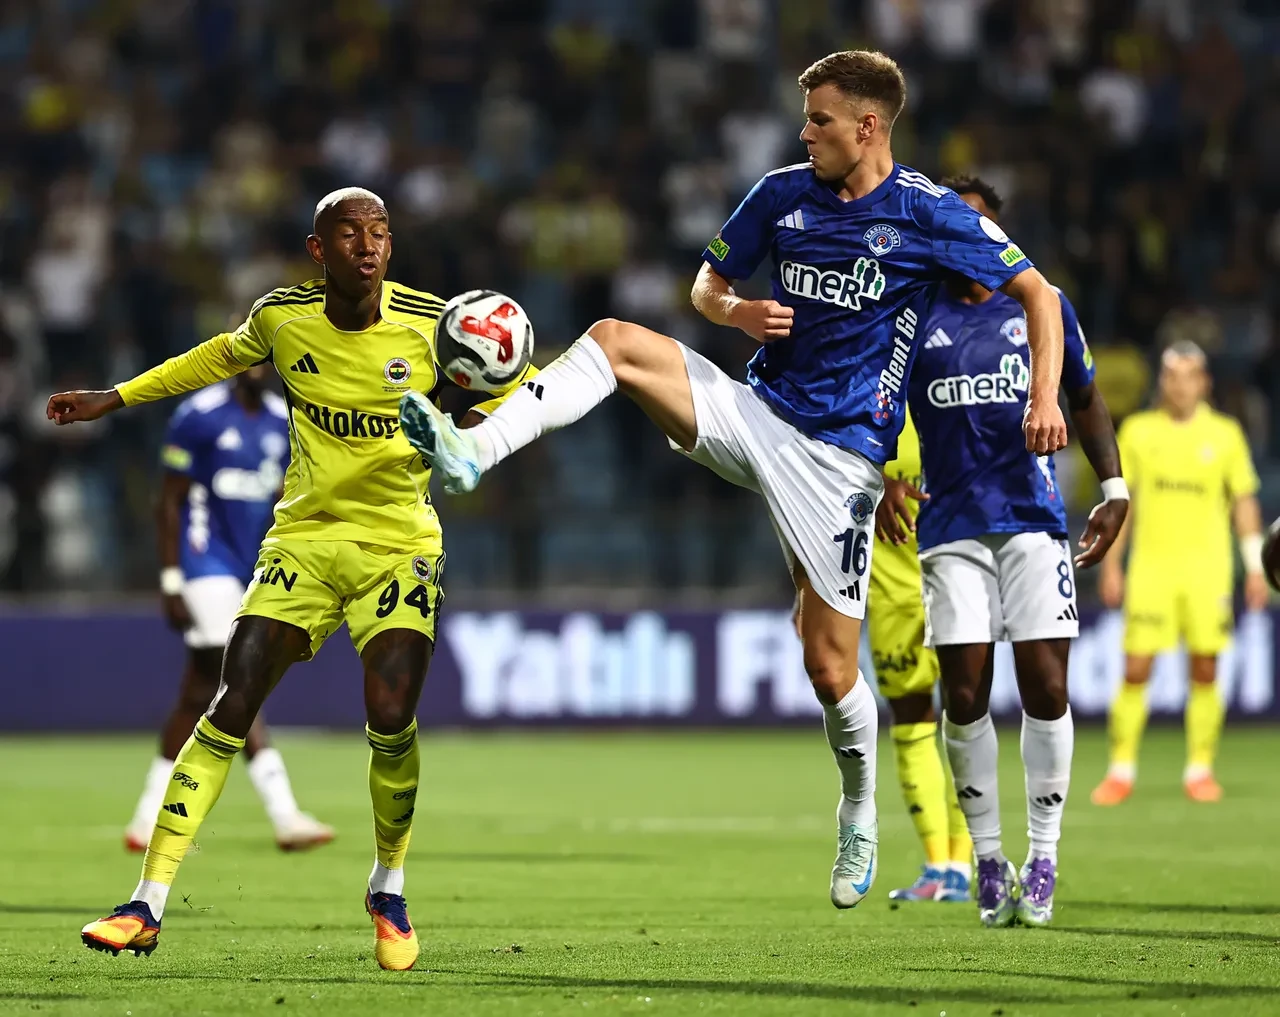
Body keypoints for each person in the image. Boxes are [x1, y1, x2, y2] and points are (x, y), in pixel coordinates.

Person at [399, 50, 1069, 910]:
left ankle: (858, 807)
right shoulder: (782, 194)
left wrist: (1043, 395)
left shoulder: (930, 215)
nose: (806, 131)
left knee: (828, 666)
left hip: (840, 460)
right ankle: (472, 450)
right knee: (614, 339)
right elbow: (706, 284)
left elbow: (1039, 294)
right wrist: (736, 310)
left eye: (821, 118)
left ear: (869, 126)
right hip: (759, 413)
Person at [50, 187, 532, 971]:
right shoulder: (283, 318)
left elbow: (521, 395)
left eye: (380, 232)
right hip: (302, 541)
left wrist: (460, 434)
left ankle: (389, 884)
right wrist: (119, 396)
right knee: (231, 699)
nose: (369, 246)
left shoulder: (440, 324)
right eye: (350, 233)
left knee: (390, 711)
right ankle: (146, 902)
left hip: (397, 543)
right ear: (319, 249)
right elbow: (213, 355)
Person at [878, 175, 1127, 927]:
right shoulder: (916, 320)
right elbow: (878, 408)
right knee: (963, 693)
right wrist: (883, 476)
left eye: (977, 225)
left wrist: (1114, 487)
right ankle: (988, 860)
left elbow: (1084, 396)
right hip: (951, 529)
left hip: (1032, 519)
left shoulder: (1040, 308)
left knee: (1047, 686)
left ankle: (1044, 853)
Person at [123, 366, 333, 854]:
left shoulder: (285, 421)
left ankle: (144, 819)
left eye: (268, 362)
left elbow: (289, 490)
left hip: (249, 565)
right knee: (239, 681)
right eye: (251, 360)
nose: (260, 370)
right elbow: (170, 501)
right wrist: (172, 580)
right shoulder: (199, 416)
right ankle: (284, 813)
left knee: (199, 691)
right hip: (204, 562)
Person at [1092, 341, 1267, 806]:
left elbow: (1244, 502)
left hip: (1208, 571)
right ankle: (1121, 769)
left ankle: (1200, 768)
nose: (1181, 385)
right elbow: (1121, 505)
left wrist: (1254, 568)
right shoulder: (1139, 431)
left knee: (1206, 669)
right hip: (1152, 569)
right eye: (1173, 375)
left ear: (1204, 382)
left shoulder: (1226, 434)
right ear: (1162, 382)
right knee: (1135, 668)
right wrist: (1112, 565)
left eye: (1190, 375)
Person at [863, 407, 974, 903]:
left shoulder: (946, 400)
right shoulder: (862, 405)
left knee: (966, 717)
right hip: (890, 594)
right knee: (912, 720)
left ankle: (968, 862)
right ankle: (940, 865)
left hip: (954, 583)